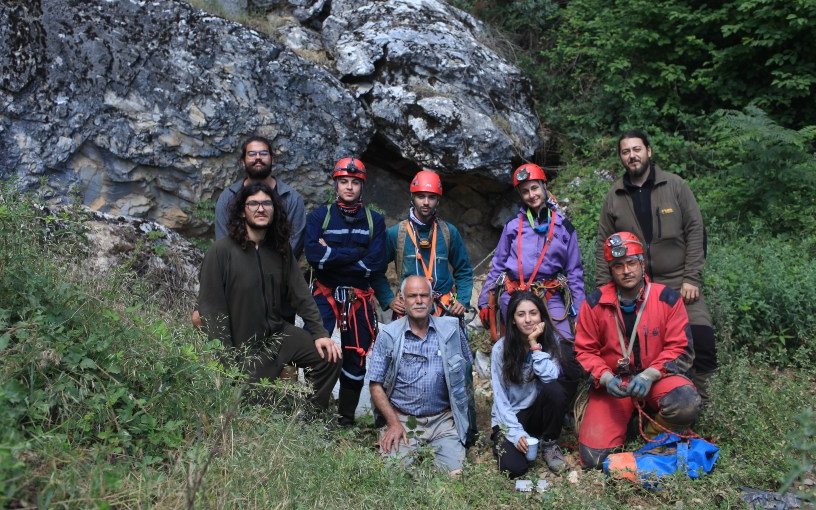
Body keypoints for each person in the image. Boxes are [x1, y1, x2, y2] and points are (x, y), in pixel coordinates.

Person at [596, 130, 717, 402]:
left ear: (649, 151)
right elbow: (603, 243)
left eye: (636, 149)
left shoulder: (675, 186)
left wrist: (692, 278)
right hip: (635, 288)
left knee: (702, 339)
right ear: (621, 157)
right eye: (625, 152)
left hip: (677, 282)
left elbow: (696, 230)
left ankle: (704, 406)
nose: (632, 156)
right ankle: (654, 405)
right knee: (640, 347)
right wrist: (604, 291)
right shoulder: (614, 196)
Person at [198, 182, 342, 410]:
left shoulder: (279, 249)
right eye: (253, 203)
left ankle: (310, 418)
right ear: (242, 211)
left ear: (275, 209)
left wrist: (320, 333)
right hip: (243, 348)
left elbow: (301, 295)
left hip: (278, 336)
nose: (260, 208)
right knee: (253, 408)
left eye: (266, 203)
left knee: (329, 358)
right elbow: (211, 311)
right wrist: (225, 365)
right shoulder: (221, 252)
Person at [575, 232, 700, 469]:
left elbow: (681, 348)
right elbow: (584, 352)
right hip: (614, 386)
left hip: (657, 379)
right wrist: (604, 377)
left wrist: (651, 373)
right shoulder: (594, 303)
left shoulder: (667, 298)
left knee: (685, 401)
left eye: (632, 263)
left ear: (642, 264)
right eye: (618, 265)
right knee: (593, 459)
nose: (626, 271)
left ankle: (652, 436)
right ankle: (628, 425)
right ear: (611, 270)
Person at [304, 158, 386, 427]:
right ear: (335, 184)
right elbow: (315, 258)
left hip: (358, 298)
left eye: (354, 182)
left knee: (356, 355)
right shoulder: (319, 217)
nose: (349, 187)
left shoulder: (375, 221)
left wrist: (333, 255)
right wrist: (356, 254)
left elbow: (374, 264)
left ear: (362, 186)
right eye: (344, 182)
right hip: (325, 295)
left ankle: (346, 419)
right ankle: (314, 413)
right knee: (315, 349)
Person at [194, 135, 307, 328]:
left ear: (272, 158)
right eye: (252, 154)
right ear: (242, 161)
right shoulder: (228, 199)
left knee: (278, 350)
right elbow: (224, 245)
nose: (258, 158)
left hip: (279, 290)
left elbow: (294, 244)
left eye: (263, 153)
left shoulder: (291, 199)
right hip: (238, 288)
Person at [368, 275, 473, 475]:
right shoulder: (389, 335)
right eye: (412, 296)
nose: (419, 301)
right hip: (404, 420)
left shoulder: (451, 330)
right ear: (402, 299)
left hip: (442, 420)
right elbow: (375, 385)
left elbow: (467, 376)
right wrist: (393, 422)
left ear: (432, 298)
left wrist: (467, 422)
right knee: (393, 474)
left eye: (424, 295)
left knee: (456, 475)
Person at [478, 163, 585, 342]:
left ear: (544, 187)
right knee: (515, 349)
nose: (531, 195)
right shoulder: (512, 227)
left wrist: (581, 310)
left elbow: (574, 272)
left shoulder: (564, 228)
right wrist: (483, 302)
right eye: (525, 191)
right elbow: (497, 266)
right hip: (514, 295)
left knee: (565, 344)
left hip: (549, 295)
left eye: (534, 188)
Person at [371, 170, 474, 319]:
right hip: (409, 309)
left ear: (438, 200)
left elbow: (464, 270)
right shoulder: (396, 234)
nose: (426, 202)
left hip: (443, 310)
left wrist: (462, 299)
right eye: (421, 196)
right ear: (413, 198)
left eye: (431, 197)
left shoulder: (448, 232)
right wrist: (388, 299)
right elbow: (376, 270)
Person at [490, 291, 568, 477]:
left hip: (536, 414)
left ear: (541, 316)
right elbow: (501, 400)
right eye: (521, 314)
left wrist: (534, 344)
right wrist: (516, 434)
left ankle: (548, 443)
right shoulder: (500, 349)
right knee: (515, 468)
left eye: (533, 313)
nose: (528, 320)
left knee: (556, 390)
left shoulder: (552, 342)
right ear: (513, 320)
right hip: (510, 416)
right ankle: (509, 440)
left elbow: (551, 380)